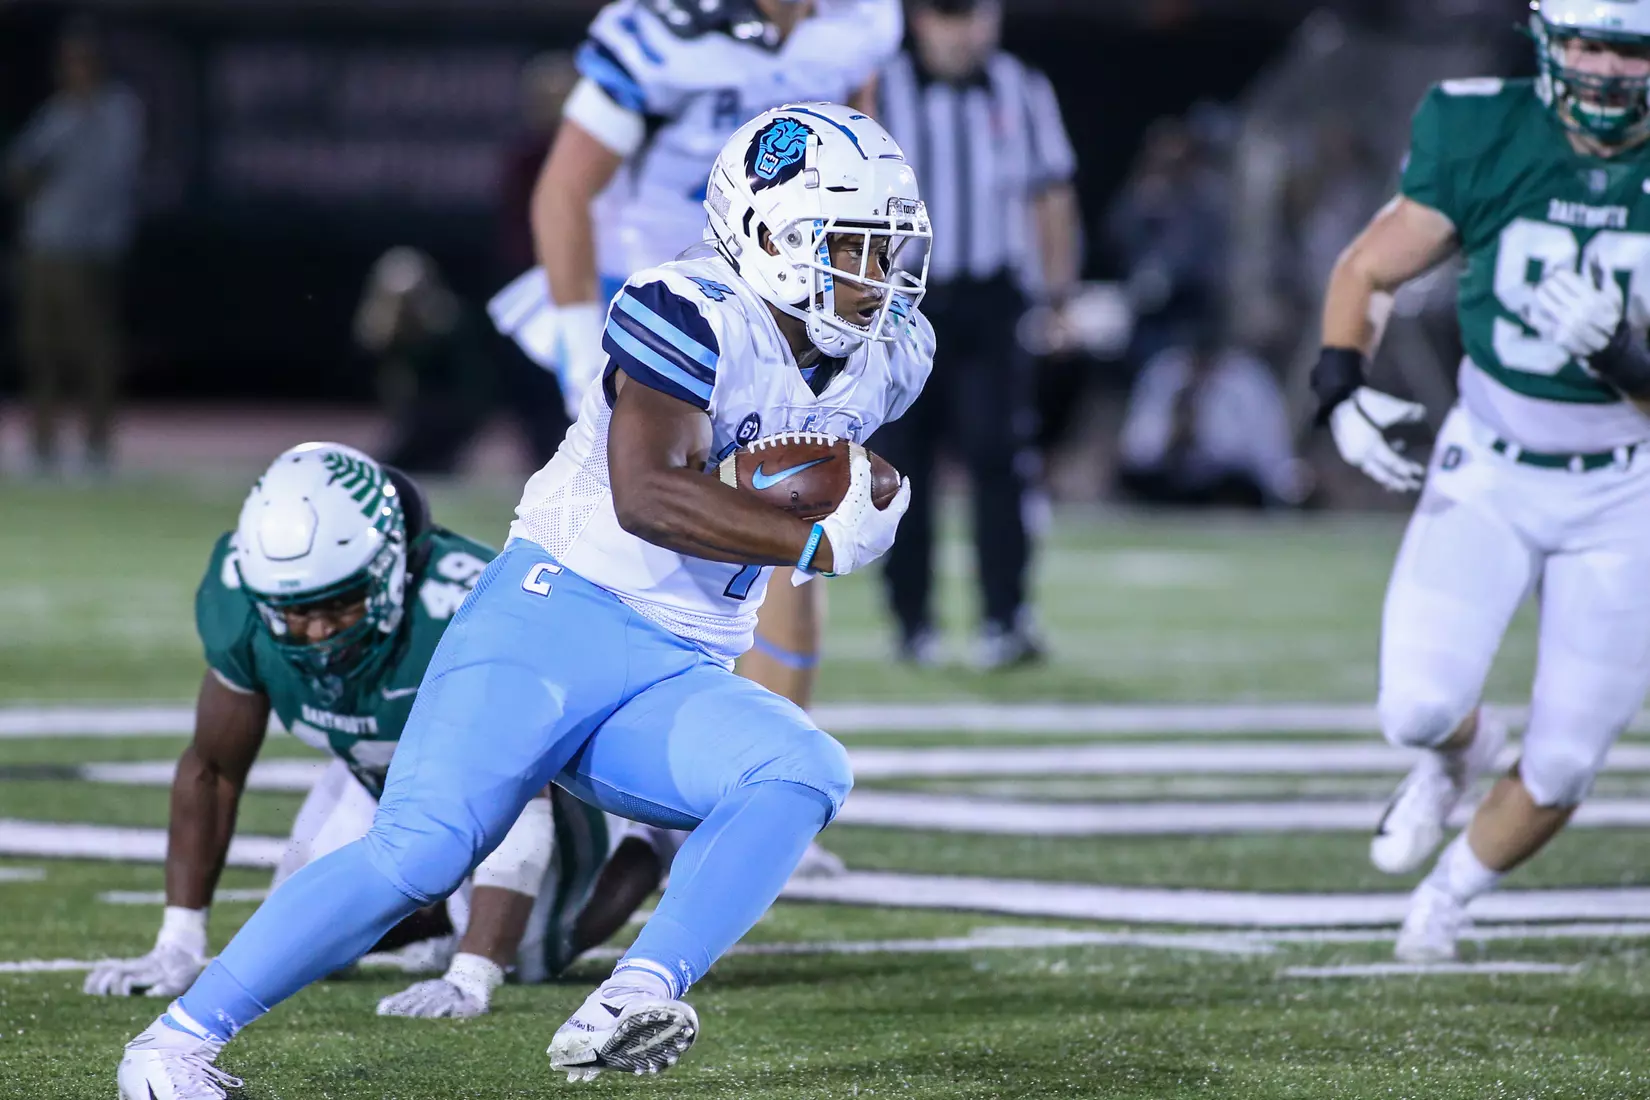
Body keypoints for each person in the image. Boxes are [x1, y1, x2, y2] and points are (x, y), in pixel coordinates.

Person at [117, 103, 933, 1097]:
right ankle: (171, 1045)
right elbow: (647, 495)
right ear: (766, 234)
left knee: (800, 765)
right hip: (556, 617)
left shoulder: (895, 348)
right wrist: (816, 533)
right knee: (421, 851)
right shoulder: (688, 305)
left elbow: (823, 461)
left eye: (883, 249)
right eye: (845, 245)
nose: (871, 275)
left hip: (681, 661)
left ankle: (631, 992)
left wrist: (862, 490)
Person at [1312, 0, 1650, 962]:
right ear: (1545, 42)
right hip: (1494, 463)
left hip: (1628, 489)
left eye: (1625, 48)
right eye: (1582, 41)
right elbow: (1368, 272)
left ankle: (1451, 894)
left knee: (1568, 760)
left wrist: (1628, 362)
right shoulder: (1485, 127)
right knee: (1416, 706)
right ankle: (1456, 760)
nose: (1600, 67)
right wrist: (1340, 389)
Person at [84, 443, 611, 1023]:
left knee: (529, 955)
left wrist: (474, 971)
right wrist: (177, 943)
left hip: (531, 783)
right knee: (307, 937)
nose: (313, 633)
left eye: (337, 605)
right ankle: (436, 913)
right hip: (379, 773)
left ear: (389, 569)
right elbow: (212, 769)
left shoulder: (466, 610)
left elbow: (519, 798)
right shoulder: (241, 599)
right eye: (292, 611)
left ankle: (654, 846)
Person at [487, 0, 902, 708]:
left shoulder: (860, 19)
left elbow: (864, 152)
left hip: (778, 306)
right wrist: (582, 346)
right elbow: (564, 192)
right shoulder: (660, 29)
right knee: (614, 535)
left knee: (794, 521)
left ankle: (759, 764)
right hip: (657, 305)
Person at [872, 0, 1081, 668]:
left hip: (993, 299)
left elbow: (1051, 194)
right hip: (903, 302)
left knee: (999, 458)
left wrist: (1057, 295)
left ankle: (1005, 618)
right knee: (902, 463)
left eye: (972, 15)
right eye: (947, 15)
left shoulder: (1024, 87)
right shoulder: (880, 86)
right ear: (919, 21)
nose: (961, 32)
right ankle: (912, 622)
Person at [4, 18, 144, 476]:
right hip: (46, 246)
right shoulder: (57, 113)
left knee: (94, 350)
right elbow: (19, 169)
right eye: (68, 62)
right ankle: (43, 445)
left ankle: (96, 446)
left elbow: (108, 177)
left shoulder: (118, 112)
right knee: (41, 347)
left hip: (89, 250)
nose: (75, 70)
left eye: (82, 61)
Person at [1115, 319, 1305, 509]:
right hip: (1167, 479)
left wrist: (1203, 436)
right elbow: (1137, 447)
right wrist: (1175, 432)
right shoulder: (1165, 371)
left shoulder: (1248, 379)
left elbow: (1266, 452)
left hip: (1227, 484)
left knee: (1236, 487)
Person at [355, 249, 496, 476]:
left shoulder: (446, 322)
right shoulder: (386, 325)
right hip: (416, 415)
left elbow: (468, 384)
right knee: (395, 465)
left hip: (450, 412)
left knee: (415, 467)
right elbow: (374, 352)